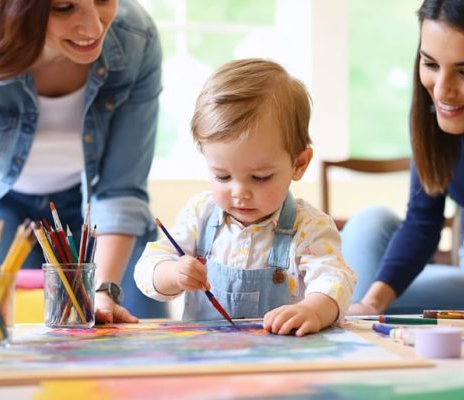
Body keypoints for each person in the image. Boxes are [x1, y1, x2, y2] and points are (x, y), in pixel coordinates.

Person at [0, 0, 167, 322]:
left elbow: (121, 189)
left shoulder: (135, 37)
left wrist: (105, 291)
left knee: (140, 326)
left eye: (102, 0)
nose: (95, 28)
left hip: (94, 206)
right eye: (64, 7)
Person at [135, 59, 357, 336]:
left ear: (299, 163)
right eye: (222, 176)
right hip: (204, 358)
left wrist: (312, 309)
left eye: (260, 177)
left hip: (281, 360)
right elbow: (146, 270)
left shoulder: (309, 226)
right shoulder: (199, 215)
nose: (239, 192)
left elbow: (335, 280)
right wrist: (172, 273)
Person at [344, 0, 464, 315]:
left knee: (390, 296)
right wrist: (371, 303)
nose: (442, 91)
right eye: (430, 64)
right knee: (368, 224)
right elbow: (423, 221)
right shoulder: (432, 120)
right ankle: (361, 315)